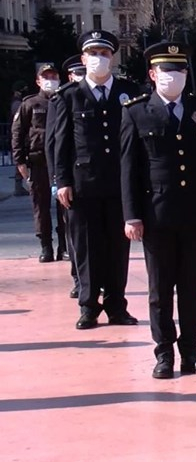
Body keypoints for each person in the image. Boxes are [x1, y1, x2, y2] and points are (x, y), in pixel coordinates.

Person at [120, 41, 196, 379]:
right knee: (160, 289)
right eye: (167, 71)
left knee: (191, 288)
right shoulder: (136, 111)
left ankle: (191, 351)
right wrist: (131, 215)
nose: (174, 77)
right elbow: (128, 169)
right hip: (156, 215)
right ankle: (164, 353)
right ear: (153, 74)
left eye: (179, 70)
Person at [53, 30, 140, 330]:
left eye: (104, 54)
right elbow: (60, 144)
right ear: (83, 59)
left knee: (119, 247)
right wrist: (61, 180)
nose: (98, 60)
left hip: (119, 184)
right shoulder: (69, 96)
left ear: (112, 58)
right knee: (86, 247)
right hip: (82, 186)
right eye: (93, 54)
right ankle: (89, 306)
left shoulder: (128, 93)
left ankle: (117, 305)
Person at [12, 65, 66, 263]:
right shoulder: (30, 104)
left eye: (53, 76)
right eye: (46, 77)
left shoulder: (64, 100)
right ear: (38, 81)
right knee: (40, 207)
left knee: (65, 206)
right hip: (38, 162)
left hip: (61, 162)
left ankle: (64, 246)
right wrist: (19, 162)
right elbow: (17, 133)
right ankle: (46, 247)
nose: (50, 79)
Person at [47, 56, 86, 298]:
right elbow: (53, 142)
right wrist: (57, 179)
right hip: (71, 178)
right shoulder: (62, 98)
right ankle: (78, 278)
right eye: (77, 72)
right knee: (75, 234)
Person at [10, 89, 29, 197]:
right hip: (20, 136)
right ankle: (18, 187)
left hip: (20, 135)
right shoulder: (17, 103)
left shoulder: (17, 102)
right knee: (20, 160)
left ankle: (19, 186)